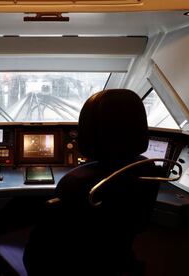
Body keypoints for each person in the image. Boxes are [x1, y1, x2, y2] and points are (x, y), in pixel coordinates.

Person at [23, 89, 160, 276]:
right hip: (114, 258)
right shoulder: (149, 170)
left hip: (62, 265)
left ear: (86, 134)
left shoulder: (75, 182)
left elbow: (36, 255)